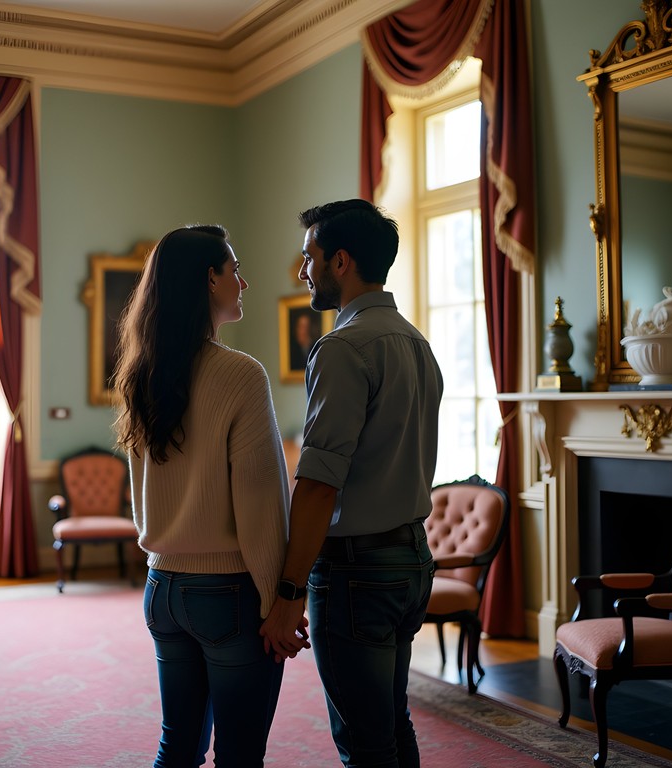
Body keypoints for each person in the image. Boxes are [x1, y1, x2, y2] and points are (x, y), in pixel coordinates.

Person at [259, 200, 443, 768]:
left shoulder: (342, 348)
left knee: (365, 744)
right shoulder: (418, 345)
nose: (302, 270)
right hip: (411, 560)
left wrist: (289, 593)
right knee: (390, 723)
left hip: (356, 572)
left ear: (340, 262)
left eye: (309, 257)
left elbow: (318, 484)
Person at [112, 224, 291, 768]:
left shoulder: (139, 375)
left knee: (179, 745)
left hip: (161, 588)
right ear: (210, 279)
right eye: (234, 269)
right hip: (230, 594)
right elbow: (261, 504)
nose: (244, 280)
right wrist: (280, 598)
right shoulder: (240, 375)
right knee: (240, 755)